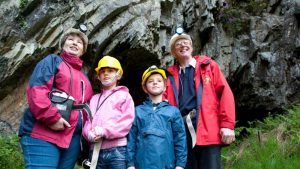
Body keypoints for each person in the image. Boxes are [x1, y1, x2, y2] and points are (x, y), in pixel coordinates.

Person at [18, 27, 93, 169]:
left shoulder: (85, 79)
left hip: (72, 141)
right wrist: (52, 117)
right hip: (44, 133)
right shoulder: (52, 61)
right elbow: (37, 90)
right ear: (63, 44)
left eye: (79, 42)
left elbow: (86, 110)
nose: (74, 43)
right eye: (70, 39)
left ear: (83, 50)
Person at [163, 29, 236, 169]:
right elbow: (162, 105)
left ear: (191, 46)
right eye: (178, 44)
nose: (183, 45)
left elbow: (225, 93)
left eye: (186, 42)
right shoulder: (168, 76)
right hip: (181, 132)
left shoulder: (208, 66)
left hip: (207, 128)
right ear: (173, 52)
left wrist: (227, 124)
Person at [127, 65, 187, 169]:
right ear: (145, 88)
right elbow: (131, 139)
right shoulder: (138, 111)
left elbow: (180, 139)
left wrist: (180, 165)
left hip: (166, 165)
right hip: (142, 165)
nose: (155, 82)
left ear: (164, 87)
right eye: (150, 81)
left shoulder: (173, 112)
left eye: (159, 81)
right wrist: (130, 164)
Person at [82, 55, 135, 169]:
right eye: (102, 71)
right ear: (98, 76)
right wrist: (88, 134)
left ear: (118, 75)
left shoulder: (124, 96)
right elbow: (87, 121)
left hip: (117, 151)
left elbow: (126, 123)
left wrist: (104, 131)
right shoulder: (94, 99)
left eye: (110, 71)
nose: (106, 74)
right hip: (95, 150)